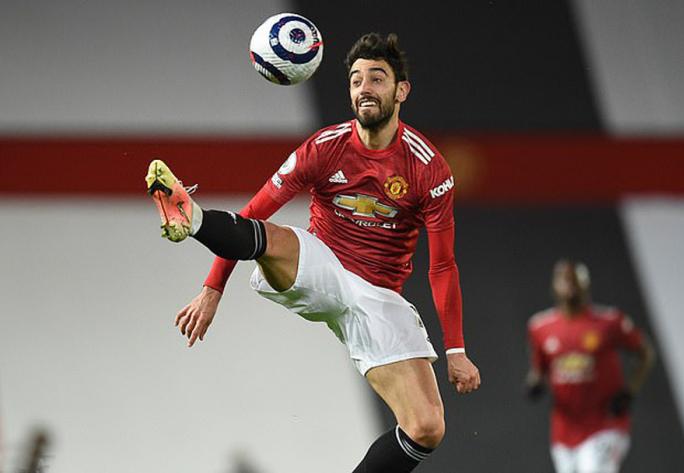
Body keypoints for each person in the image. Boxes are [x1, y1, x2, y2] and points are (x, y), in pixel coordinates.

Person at [146, 32, 480, 473]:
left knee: (426, 426)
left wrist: (455, 349)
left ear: (402, 91)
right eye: (356, 80)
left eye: (377, 79)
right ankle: (194, 219)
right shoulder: (324, 148)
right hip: (323, 264)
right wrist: (213, 288)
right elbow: (253, 211)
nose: (364, 88)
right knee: (273, 238)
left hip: (378, 297)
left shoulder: (427, 168)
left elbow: (443, 265)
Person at [525, 259, 655, 473]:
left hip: (604, 424)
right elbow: (539, 371)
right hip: (564, 431)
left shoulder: (609, 322)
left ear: (586, 284)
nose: (570, 286)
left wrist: (629, 392)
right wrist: (535, 385)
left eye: (575, 280)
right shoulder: (540, 327)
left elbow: (645, 353)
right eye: (564, 280)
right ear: (554, 285)